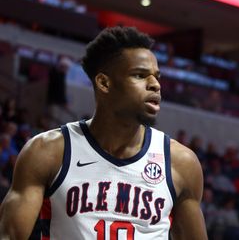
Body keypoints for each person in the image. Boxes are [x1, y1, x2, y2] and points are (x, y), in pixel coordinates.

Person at [0, 26, 207, 239]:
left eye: (156, 76)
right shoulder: (47, 151)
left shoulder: (180, 162)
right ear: (104, 83)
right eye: (140, 75)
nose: (155, 85)